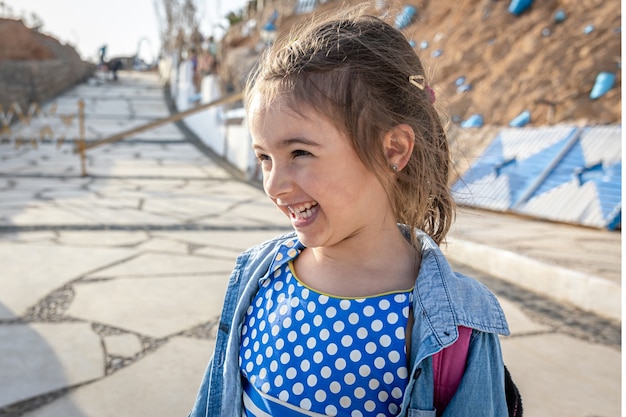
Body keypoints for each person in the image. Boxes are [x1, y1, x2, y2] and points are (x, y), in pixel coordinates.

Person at [189, 10, 510, 417]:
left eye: (300, 153)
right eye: (265, 158)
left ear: (393, 149)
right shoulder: (257, 280)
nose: (273, 184)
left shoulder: (455, 328)